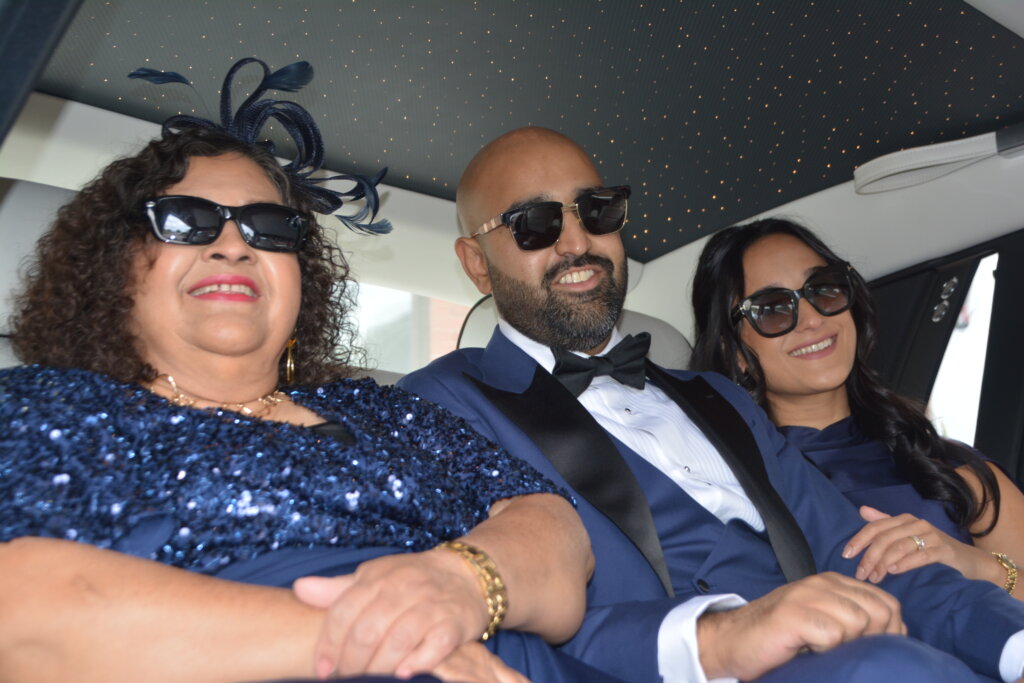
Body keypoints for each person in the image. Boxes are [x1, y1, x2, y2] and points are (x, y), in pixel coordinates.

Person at [0, 61, 602, 683]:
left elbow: (556, 537)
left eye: (268, 228)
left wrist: (462, 581)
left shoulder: (385, 410)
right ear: (115, 264)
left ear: (301, 278)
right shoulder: (37, 407)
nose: (233, 245)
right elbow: (23, 613)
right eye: (186, 220)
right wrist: (377, 635)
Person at [398, 125, 1024, 683]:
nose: (576, 242)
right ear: (478, 264)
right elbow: (476, 617)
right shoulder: (441, 405)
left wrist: (1009, 640)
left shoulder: (717, 397)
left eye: (596, 210)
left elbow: (862, 555)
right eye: (534, 224)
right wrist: (715, 638)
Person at [689, 217, 1024, 595]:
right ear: (733, 352)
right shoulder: (725, 491)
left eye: (823, 288)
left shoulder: (954, 470)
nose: (814, 319)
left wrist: (977, 566)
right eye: (772, 308)